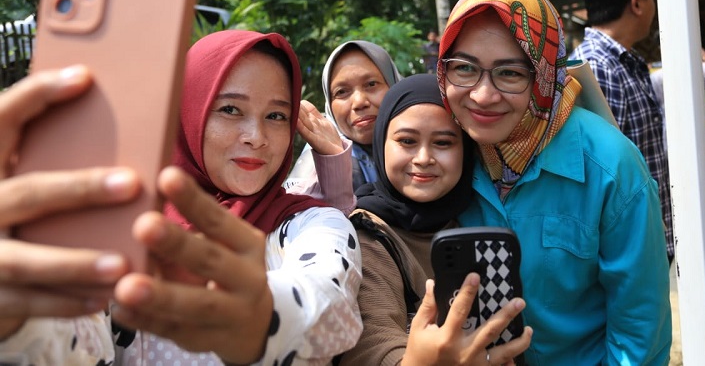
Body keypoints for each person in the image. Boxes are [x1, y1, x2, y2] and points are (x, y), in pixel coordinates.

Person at [0, 30, 363, 365]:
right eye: (230, 109)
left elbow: (331, 302)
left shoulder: (311, 224)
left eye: (276, 115)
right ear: (187, 112)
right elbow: (81, 342)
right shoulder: (126, 231)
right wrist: (18, 323)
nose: (257, 136)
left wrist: (264, 317)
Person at [437, 0, 671, 364]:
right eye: (464, 68)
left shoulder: (610, 167)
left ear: (545, 74)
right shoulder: (450, 148)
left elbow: (639, 329)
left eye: (510, 73)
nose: (482, 95)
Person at [338, 73, 532, 366]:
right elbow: (372, 345)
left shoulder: (478, 214)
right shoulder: (367, 235)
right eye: (406, 141)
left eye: (443, 143)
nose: (424, 158)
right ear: (381, 144)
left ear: (466, 151)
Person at [568, 0, 674, 261]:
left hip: (643, 237)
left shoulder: (620, 62)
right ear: (637, 3)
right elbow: (597, 173)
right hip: (629, 248)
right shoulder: (598, 69)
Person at [286, 40, 402, 197]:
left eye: (371, 84)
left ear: (394, 85)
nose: (359, 102)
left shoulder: (423, 139)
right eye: (341, 92)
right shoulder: (322, 157)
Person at [649, 47, 705, 254]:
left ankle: (683, 245)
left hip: (667, 141)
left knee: (675, 193)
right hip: (701, 139)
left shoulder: (657, 76)